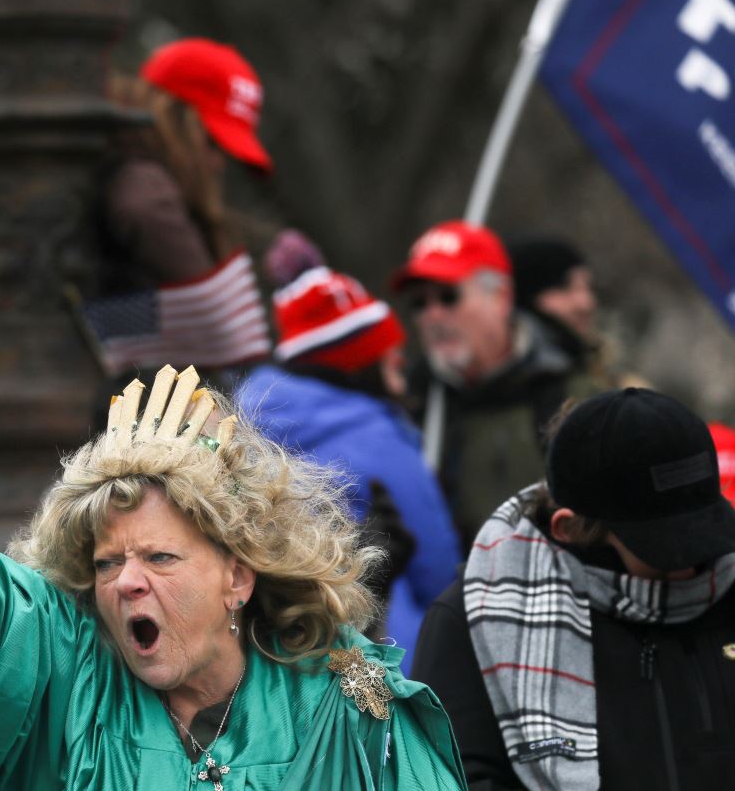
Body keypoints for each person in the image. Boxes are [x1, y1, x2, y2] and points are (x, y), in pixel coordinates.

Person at [0, 299, 467, 790]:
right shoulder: (69, 673)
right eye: (109, 562)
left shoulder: (348, 708)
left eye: (160, 557)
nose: (125, 582)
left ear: (239, 576)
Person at [411, 388, 735, 790]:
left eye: (706, 533)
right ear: (572, 528)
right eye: (666, 550)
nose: (692, 567)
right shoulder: (472, 621)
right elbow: (450, 778)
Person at [238, 231, 460, 673]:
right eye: (384, 351)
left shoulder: (244, 425)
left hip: (279, 658)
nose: (399, 358)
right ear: (357, 364)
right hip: (385, 657)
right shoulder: (378, 440)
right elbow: (439, 574)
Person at [392, 220, 600, 545]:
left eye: (449, 297)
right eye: (419, 303)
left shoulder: (575, 392)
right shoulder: (409, 407)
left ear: (501, 296)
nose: (432, 316)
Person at [82, 38, 274, 385]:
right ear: (174, 116)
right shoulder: (145, 184)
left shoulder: (125, 164)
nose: (217, 164)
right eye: (213, 142)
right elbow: (143, 208)